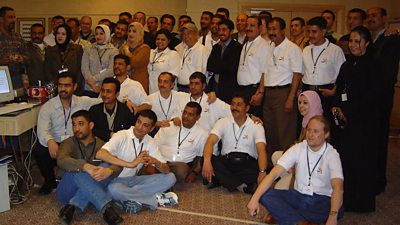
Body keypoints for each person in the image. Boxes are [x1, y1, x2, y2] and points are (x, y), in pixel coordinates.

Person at [247, 115, 344, 225]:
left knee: (338, 209)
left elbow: (338, 188)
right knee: (264, 194)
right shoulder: (298, 148)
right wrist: (254, 199)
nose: (310, 134)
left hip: (322, 200)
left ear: (326, 134)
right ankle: (301, 222)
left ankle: (285, 216)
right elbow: (274, 174)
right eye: (309, 130)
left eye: (316, 131)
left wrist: (332, 217)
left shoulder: (332, 155)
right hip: (299, 197)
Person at [332, 26, 381, 212]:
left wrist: (349, 112)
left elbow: (372, 96)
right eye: (351, 41)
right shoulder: (347, 63)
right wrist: (337, 106)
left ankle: (361, 203)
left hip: (363, 122)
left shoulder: (374, 65)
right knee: (346, 160)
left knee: (361, 162)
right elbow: (340, 88)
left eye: (357, 41)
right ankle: (346, 198)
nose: (353, 45)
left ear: (367, 43)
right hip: (345, 122)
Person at [96, 110, 178, 213]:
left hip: (135, 180)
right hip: (117, 180)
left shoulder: (150, 141)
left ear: (151, 129)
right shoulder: (121, 135)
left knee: (171, 177)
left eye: (145, 125)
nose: (139, 127)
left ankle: (130, 197)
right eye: (138, 122)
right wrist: (130, 164)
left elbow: (166, 170)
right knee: (114, 189)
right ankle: (154, 199)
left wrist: (156, 162)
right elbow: (100, 154)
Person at [35, 72, 100, 195]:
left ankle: (72, 177)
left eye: (67, 85)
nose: (63, 89)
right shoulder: (48, 107)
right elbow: (42, 130)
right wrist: (50, 141)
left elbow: (104, 100)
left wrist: (126, 101)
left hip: (74, 144)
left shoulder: (83, 102)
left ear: (75, 86)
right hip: (56, 145)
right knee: (40, 150)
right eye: (60, 85)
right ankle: (50, 182)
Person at [56, 110, 123, 225]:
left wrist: (109, 170)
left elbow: (118, 164)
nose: (76, 128)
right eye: (74, 124)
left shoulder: (102, 145)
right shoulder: (68, 143)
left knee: (106, 166)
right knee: (78, 165)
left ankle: (71, 207)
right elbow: (61, 160)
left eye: (81, 124)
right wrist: (85, 166)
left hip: (89, 191)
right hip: (66, 191)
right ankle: (105, 207)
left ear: (91, 125)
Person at [253, 17, 302, 158]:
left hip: (284, 93)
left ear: (282, 30)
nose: (272, 32)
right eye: (269, 29)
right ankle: (271, 166)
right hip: (269, 94)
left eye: (275, 29)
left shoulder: (292, 48)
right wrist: (260, 93)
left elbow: (297, 75)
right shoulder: (269, 47)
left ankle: (286, 168)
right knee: (270, 131)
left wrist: (290, 98)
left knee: (284, 133)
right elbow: (264, 73)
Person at [202, 93, 267, 194]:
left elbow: (261, 151)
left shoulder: (256, 126)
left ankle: (224, 180)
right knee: (205, 160)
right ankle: (240, 185)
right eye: (233, 104)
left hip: (247, 164)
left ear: (247, 108)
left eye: (239, 104)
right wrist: (207, 161)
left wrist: (262, 172)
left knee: (263, 169)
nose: (234, 107)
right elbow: (210, 141)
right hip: (227, 162)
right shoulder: (222, 122)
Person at [366, 7, 400, 195]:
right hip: (368, 100)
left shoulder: (392, 39)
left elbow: (385, 73)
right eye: (368, 16)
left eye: (374, 16)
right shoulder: (370, 39)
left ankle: (379, 181)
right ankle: (370, 176)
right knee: (369, 140)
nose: (370, 19)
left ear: (384, 18)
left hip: (381, 99)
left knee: (379, 140)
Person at [301, 16, 345, 137]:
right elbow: (302, 72)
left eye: (314, 31)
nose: (310, 35)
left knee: (325, 126)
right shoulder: (305, 49)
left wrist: (334, 91)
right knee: (308, 126)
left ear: (324, 31)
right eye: (308, 31)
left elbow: (342, 75)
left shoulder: (335, 50)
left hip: (326, 92)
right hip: (308, 90)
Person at [155, 102, 208, 183]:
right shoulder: (169, 125)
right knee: (147, 167)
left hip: (179, 165)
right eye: (185, 112)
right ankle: (165, 179)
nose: (185, 116)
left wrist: (194, 173)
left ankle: (159, 178)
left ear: (198, 117)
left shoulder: (202, 133)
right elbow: (155, 144)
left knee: (181, 172)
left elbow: (201, 156)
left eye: (190, 114)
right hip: (161, 160)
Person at [237, 15, 273, 118]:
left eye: (252, 25)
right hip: (242, 90)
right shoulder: (246, 44)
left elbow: (265, 72)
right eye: (247, 25)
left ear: (260, 28)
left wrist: (260, 93)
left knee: (254, 121)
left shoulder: (264, 45)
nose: (248, 28)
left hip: (254, 91)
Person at [207, 19, 242, 104]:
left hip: (230, 88)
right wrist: (223, 65)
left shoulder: (237, 47)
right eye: (219, 30)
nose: (221, 33)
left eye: (224, 30)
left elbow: (232, 68)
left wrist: (218, 65)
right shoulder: (216, 47)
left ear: (231, 31)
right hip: (215, 86)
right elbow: (209, 66)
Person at [89, 77, 135, 142]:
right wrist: (109, 134)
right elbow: (91, 130)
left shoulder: (127, 111)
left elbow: (131, 132)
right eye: (103, 91)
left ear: (117, 94)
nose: (104, 94)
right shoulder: (94, 110)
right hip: (99, 146)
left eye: (109, 91)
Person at [44, 24, 84, 94]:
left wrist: (75, 86)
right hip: (56, 88)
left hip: (73, 88)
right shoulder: (50, 50)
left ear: (68, 35)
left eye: (63, 34)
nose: (60, 36)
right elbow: (48, 71)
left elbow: (80, 70)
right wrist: (55, 86)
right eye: (58, 33)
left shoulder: (77, 49)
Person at [81, 24, 118, 97]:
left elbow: (111, 70)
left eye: (101, 34)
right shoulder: (88, 48)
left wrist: (94, 79)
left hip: (105, 88)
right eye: (96, 34)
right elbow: (84, 68)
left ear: (107, 34)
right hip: (89, 87)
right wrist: (92, 84)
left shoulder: (113, 51)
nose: (98, 36)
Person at [175, 23, 209, 92]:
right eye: (184, 34)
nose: (186, 36)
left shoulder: (201, 50)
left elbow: (200, 73)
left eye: (189, 33)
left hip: (192, 89)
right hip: (181, 88)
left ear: (196, 34)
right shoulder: (185, 49)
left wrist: (195, 90)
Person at [0, 6, 28, 88]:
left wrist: (21, 58)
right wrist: (1, 61)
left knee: (19, 100)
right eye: (10, 17)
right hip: (2, 78)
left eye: (14, 17)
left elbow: (28, 56)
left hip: (17, 78)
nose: (13, 20)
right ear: (1, 19)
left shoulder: (18, 37)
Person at [120, 22, 151, 94]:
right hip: (125, 81)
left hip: (139, 82)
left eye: (134, 31)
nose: (130, 34)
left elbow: (135, 62)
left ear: (140, 33)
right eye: (129, 31)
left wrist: (127, 52)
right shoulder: (124, 46)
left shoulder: (145, 48)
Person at [147, 29, 181, 94]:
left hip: (167, 92)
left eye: (163, 40)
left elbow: (173, 76)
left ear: (168, 41)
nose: (159, 41)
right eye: (158, 39)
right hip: (152, 91)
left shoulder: (173, 54)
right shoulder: (151, 52)